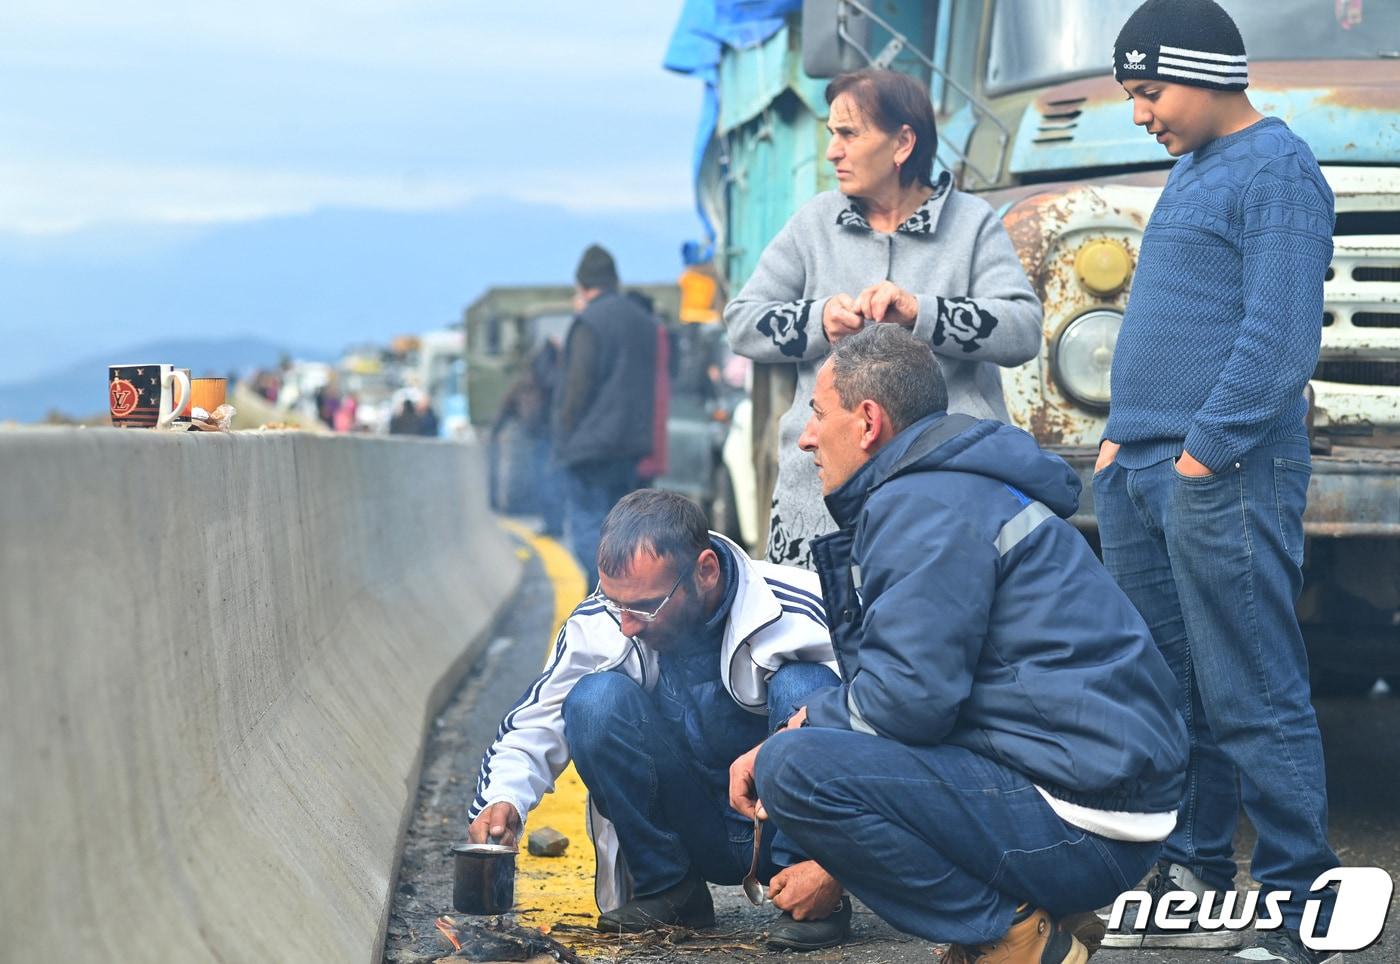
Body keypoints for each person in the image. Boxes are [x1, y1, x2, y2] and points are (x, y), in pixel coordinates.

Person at [729, 325, 1187, 964]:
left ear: (867, 422)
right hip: (1103, 795)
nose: (806, 436)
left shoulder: (923, 504)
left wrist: (798, 728)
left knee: (794, 768)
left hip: (1083, 816)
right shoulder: (949, 487)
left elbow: (909, 701)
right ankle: (1034, 911)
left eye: (816, 412)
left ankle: (1011, 936)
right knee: (823, 744)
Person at [1093, 3, 1340, 962]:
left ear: (1205, 74)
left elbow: (1280, 336)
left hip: (1220, 470)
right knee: (1168, 685)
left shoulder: (1278, 170)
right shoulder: (1196, 168)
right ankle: (1196, 867)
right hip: (1142, 468)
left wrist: (1203, 452)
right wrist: (1122, 441)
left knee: (1252, 685)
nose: (1141, 114)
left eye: (1149, 92)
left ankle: (1297, 907)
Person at [467, 490, 849, 949]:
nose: (627, 623)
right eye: (616, 603)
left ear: (705, 571)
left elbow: (891, 715)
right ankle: (670, 889)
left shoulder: (804, 605)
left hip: (778, 824)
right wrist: (504, 798)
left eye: (645, 606)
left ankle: (810, 888)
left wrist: (836, 863)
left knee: (808, 687)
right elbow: (535, 719)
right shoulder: (607, 619)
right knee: (594, 700)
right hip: (691, 824)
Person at [725, 67, 1042, 571]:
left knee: (938, 632)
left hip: (951, 488)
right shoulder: (814, 223)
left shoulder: (972, 223)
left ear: (903, 143)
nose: (832, 151)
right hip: (820, 496)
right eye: (832, 135)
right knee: (815, 638)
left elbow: (1023, 329)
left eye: (848, 134)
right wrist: (819, 321)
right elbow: (741, 322)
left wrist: (923, 313)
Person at [553, 244, 659, 587]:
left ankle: (601, 593)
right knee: (622, 531)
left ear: (582, 285)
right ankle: (625, 595)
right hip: (630, 445)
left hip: (590, 447)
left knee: (587, 527)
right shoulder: (643, 322)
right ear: (614, 280)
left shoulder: (588, 323)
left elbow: (576, 387)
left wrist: (563, 437)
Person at [492, 337, 566, 535]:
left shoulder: (528, 381)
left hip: (540, 435)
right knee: (551, 481)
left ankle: (553, 522)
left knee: (545, 480)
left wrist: (495, 432)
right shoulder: (560, 377)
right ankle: (554, 522)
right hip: (550, 435)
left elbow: (505, 407)